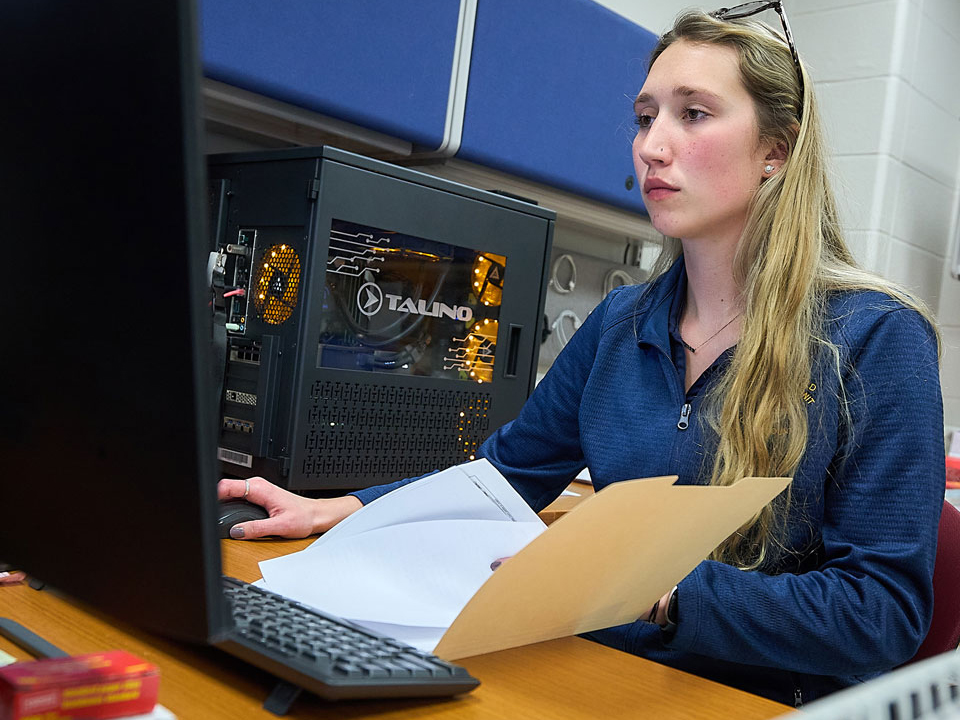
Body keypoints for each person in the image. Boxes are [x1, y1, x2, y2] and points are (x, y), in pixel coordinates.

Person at [218, 4, 945, 706]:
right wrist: (343, 510)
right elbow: (506, 475)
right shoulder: (622, 322)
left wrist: (662, 591)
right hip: (601, 672)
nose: (652, 146)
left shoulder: (874, 338)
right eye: (645, 116)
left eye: (693, 114)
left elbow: (879, 614)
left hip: (747, 698)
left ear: (775, 151)